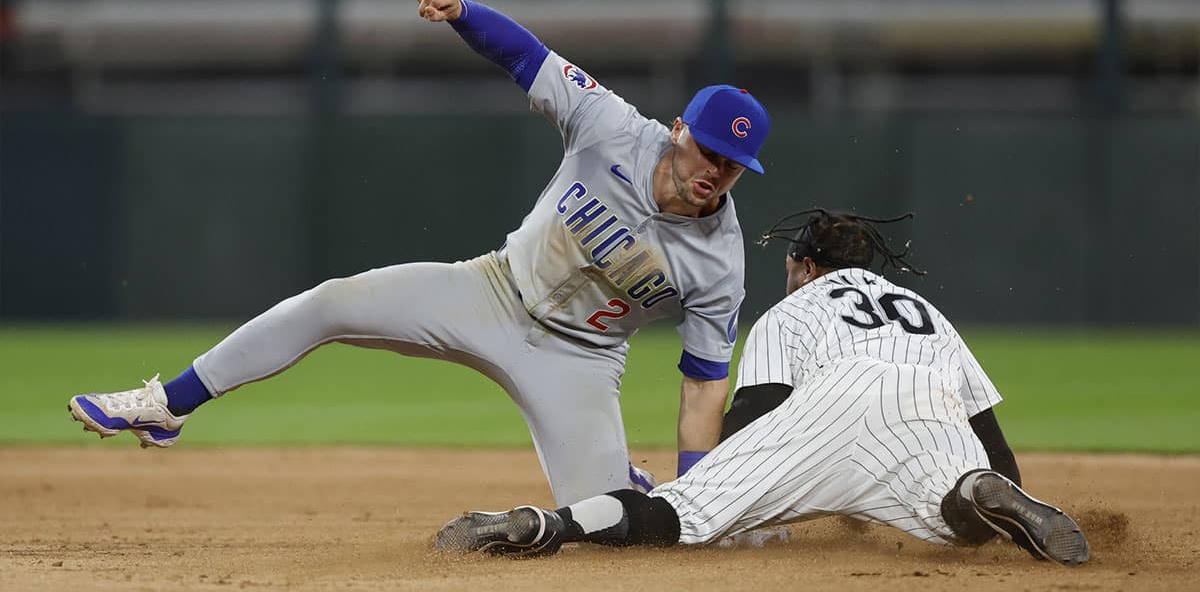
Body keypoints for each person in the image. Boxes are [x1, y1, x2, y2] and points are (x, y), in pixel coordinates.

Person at [67, 0, 771, 506]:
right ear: (680, 129)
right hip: (491, 290)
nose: (716, 170)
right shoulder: (612, 125)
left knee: (604, 519)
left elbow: (703, 388)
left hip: (580, 363)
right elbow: (527, 57)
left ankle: (621, 481)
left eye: (732, 164)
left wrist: (696, 496)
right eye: (708, 149)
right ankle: (170, 405)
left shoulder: (719, 259)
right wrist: (462, 13)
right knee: (331, 303)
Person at [434, 209, 1091, 566]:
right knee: (958, 519)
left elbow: (751, 421)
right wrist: (986, 470)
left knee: (682, 514)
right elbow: (998, 447)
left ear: (807, 267)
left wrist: (725, 494)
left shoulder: (794, 309)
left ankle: (549, 523)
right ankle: (974, 494)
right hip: (933, 403)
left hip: (840, 394)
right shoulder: (927, 315)